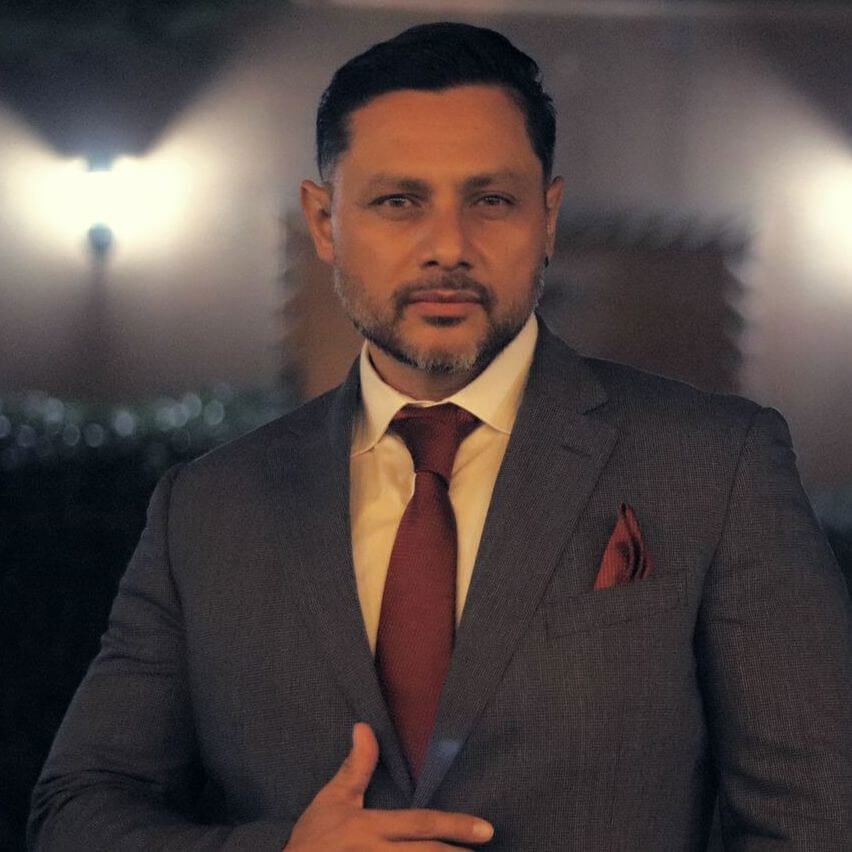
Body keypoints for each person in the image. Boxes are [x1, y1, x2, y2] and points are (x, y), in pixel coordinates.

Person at [29, 22, 851, 851]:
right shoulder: (208, 509)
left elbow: (818, 819)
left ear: (547, 217)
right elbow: (78, 811)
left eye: (491, 201)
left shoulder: (716, 467)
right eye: (399, 202)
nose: (449, 247)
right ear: (324, 221)